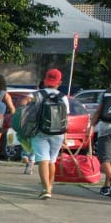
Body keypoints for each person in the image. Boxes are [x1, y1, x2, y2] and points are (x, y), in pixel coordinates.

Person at [28, 68, 69, 200]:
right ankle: (50, 186)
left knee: (42, 160)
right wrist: (65, 136)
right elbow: (66, 118)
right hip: (58, 133)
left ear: (45, 80)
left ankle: (45, 189)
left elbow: (24, 104)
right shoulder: (63, 97)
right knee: (52, 160)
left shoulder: (37, 94)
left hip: (40, 131)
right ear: (59, 82)